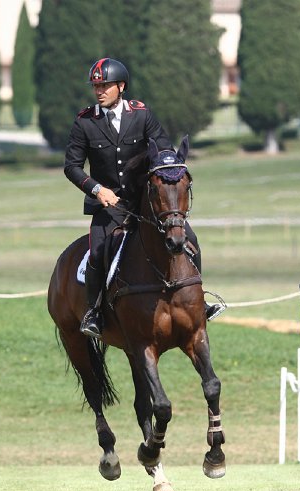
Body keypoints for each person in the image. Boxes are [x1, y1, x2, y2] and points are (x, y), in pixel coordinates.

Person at [64, 57, 222, 338]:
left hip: (145, 203)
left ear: (121, 86)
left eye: (105, 86)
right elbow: (72, 167)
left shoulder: (141, 115)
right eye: (96, 86)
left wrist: (167, 175)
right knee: (98, 253)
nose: (99, 91)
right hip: (108, 207)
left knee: (190, 239)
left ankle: (200, 301)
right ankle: (94, 312)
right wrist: (98, 190)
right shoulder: (85, 122)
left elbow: (164, 150)